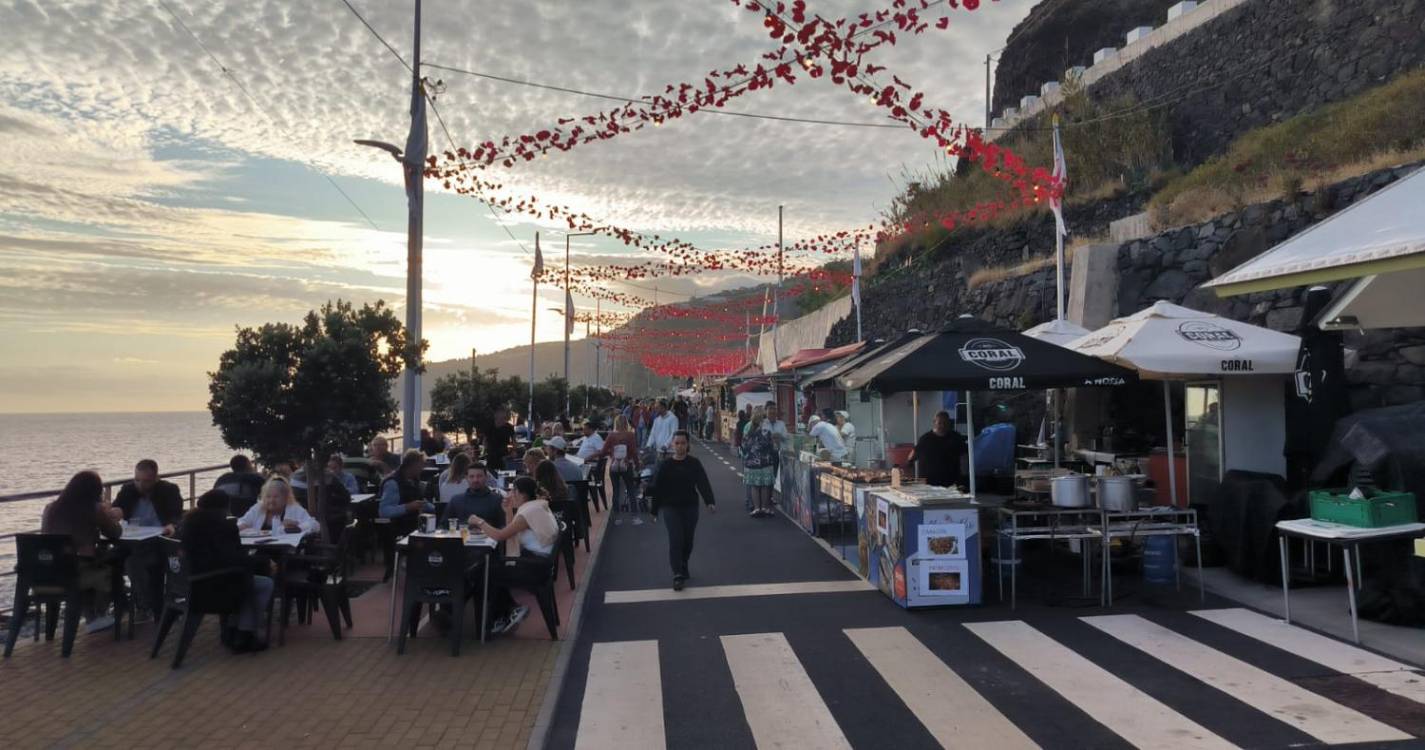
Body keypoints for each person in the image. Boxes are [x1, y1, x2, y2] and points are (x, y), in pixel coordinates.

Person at [181, 489, 274, 653]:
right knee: (263, 583)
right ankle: (245, 633)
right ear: (224, 508)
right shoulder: (223, 526)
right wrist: (263, 562)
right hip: (215, 586)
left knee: (245, 578)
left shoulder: (187, 523)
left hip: (190, 584)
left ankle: (231, 629)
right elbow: (231, 558)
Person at [467, 475, 560, 635]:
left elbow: (500, 535)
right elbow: (512, 531)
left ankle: (500, 616)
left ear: (521, 494)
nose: (510, 494)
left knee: (483, 572)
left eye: (513, 490)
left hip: (534, 567)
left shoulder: (527, 513)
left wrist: (479, 522)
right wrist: (508, 511)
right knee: (487, 569)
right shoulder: (537, 507)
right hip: (540, 564)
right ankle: (506, 612)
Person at [41, 470, 123, 631]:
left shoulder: (50, 508)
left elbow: (45, 536)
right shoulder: (93, 509)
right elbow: (115, 533)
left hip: (49, 570)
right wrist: (110, 515)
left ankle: (93, 615)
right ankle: (98, 615)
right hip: (78, 571)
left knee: (97, 562)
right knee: (115, 563)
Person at [114, 459, 184, 618]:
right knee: (112, 561)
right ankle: (125, 605)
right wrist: (114, 512)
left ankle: (148, 604)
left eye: (145, 481)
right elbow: (118, 507)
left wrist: (172, 525)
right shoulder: (128, 489)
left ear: (155, 478)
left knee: (138, 562)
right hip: (133, 538)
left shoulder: (168, 490)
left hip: (158, 539)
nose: (140, 485)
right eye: (137, 480)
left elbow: (176, 514)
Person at [648, 431, 716, 591]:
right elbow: (658, 488)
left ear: (688, 445)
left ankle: (684, 562)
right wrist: (654, 510)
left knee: (688, 540)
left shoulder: (694, 463)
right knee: (676, 539)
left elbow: (703, 483)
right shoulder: (665, 465)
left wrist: (709, 502)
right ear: (672, 445)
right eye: (677, 443)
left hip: (690, 506)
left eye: (683, 443)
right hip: (670, 507)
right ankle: (677, 573)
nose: (680, 446)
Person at [237, 477, 320, 534]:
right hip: (259, 548)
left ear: (285, 497)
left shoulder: (294, 508)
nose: (271, 500)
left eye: (276, 497)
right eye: (268, 496)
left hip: (287, 551)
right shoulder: (258, 508)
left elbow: (314, 524)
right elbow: (242, 522)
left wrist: (297, 526)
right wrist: (243, 526)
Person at [378, 450, 433, 530]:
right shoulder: (393, 483)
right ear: (413, 465)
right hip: (398, 529)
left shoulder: (413, 481)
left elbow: (420, 502)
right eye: (421, 465)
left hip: (414, 526)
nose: (422, 468)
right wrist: (408, 507)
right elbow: (384, 511)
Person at [910, 410, 967, 488]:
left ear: (949, 423)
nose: (942, 426)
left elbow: (965, 456)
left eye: (945, 423)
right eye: (940, 423)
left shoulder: (956, 437)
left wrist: (964, 478)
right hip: (929, 483)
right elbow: (911, 458)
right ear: (934, 422)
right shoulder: (925, 439)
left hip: (951, 482)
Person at [443, 463, 505, 530]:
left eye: (479, 476)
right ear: (466, 478)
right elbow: (443, 526)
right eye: (471, 476)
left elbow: (504, 527)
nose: (475, 480)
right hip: (462, 538)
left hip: (490, 538)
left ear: (486, 477)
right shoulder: (456, 501)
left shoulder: (497, 500)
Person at [601, 414, 641, 519]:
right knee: (631, 489)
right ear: (626, 423)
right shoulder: (630, 435)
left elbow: (603, 451)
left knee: (616, 490)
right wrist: (637, 464)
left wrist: (612, 453)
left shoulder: (611, 435)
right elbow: (634, 452)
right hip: (627, 464)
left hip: (614, 465)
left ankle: (617, 515)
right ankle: (634, 514)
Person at [741, 412, 778, 517]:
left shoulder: (749, 433)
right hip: (765, 463)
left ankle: (757, 508)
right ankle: (765, 508)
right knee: (765, 486)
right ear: (762, 421)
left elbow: (744, 447)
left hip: (751, 464)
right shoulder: (766, 433)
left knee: (755, 486)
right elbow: (772, 448)